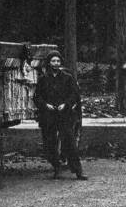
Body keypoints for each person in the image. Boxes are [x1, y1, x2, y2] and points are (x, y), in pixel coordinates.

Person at [34, 50, 87, 180]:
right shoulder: (43, 79)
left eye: (58, 61)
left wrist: (66, 104)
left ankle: (78, 171)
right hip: (49, 115)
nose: (56, 63)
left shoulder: (67, 78)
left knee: (69, 141)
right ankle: (56, 167)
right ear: (49, 63)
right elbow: (37, 97)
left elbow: (75, 94)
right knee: (50, 143)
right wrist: (45, 105)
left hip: (65, 115)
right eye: (53, 61)